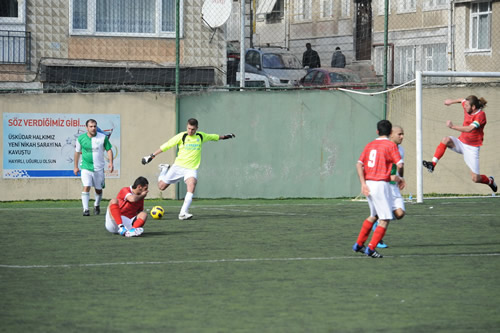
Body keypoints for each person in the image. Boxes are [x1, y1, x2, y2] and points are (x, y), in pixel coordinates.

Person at [141, 118, 235, 220]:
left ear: (197, 129)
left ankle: (183, 213)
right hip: (178, 167)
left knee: (192, 183)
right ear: (187, 127)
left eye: (193, 129)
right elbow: (167, 145)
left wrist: (226, 136)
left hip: (191, 169)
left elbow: (214, 137)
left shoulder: (201, 136)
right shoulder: (182, 136)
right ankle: (164, 169)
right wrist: (151, 156)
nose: (190, 131)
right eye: (189, 128)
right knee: (161, 187)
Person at [352, 120, 405, 258]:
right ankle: (371, 248)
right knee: (385, 219)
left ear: (377, 131)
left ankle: (358, 245)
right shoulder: (390, 145)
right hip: (381, 184)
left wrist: (363, 184)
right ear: (389, 133)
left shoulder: (370, 145)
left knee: (373, 215)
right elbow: (399, 164)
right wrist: (400, 178)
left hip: (369, 184)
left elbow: (359, 164)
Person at [423, 96, 497, 193]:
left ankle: (490, 181)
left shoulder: (481, 115)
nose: (464, 107)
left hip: (472, 148)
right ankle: (432, 164)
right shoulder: (467, 106)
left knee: (475, 178)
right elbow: (461, 100)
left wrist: (452, 126)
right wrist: (451, 101)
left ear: (473, 107)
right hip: (461, 143)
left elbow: (470, 128)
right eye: (465, 105)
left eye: (467, 106)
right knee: (446, 139)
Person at [370, 125, 406, 249]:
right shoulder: (384, 148)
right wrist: (387, 177)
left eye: (402, 134)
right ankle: (377, 239)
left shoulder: (401, 150)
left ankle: (378, 221)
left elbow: (400, 166)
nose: (402, 137)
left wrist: (401, 178)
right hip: (384, 185)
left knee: (400, 214)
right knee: (386, 216)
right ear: (391, 134)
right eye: (399, 134)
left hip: (394, 186)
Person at [74, 119, 114, 216]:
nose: (93, 128)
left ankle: (96, 205)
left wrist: (111, 163)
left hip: (99, 168)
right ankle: (86, 209)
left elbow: (109, 150)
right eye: (91, 126)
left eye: (95, 126)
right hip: (86, 168)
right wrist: (75, 166)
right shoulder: (80, 139)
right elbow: (77, 152)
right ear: (86, 127)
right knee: (86, 186)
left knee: (98, 189)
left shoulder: (103, 137)